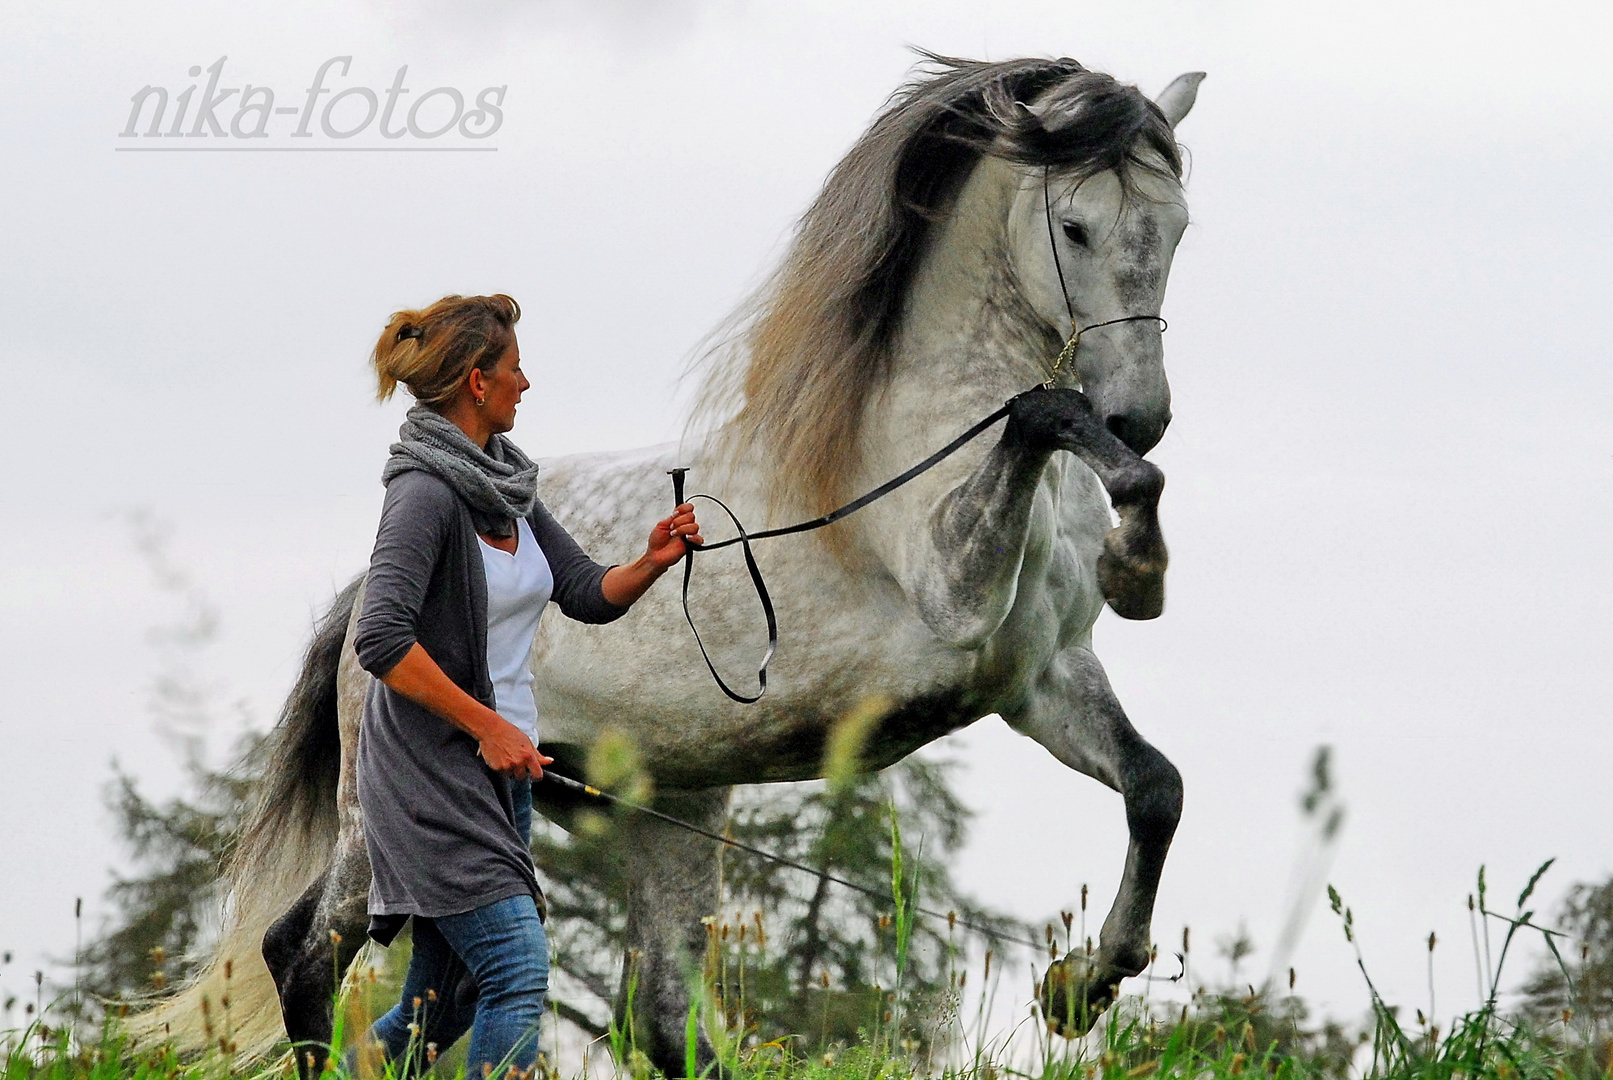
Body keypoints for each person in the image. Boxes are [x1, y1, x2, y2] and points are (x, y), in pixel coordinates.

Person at [349, 293, 701, 1077]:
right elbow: (380, 640)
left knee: (445, 1002)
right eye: (514, 369)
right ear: (478, 382)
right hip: (430, 773)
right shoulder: (423, 493)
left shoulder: (505, 481)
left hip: (499, 770)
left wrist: (650, 560)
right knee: (514, 970)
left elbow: (582, 591)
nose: (526, 383)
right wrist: (487, 727)